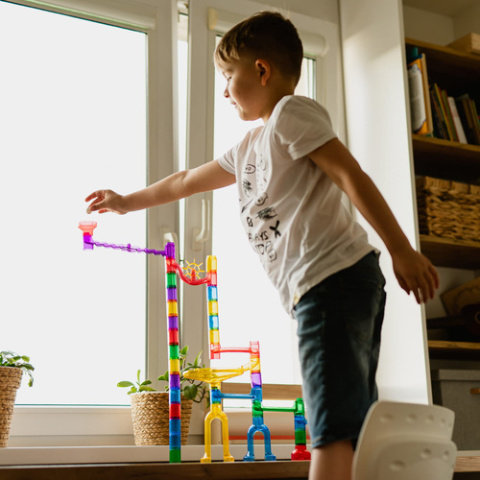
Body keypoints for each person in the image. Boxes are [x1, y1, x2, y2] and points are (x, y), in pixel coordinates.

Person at [85, 11, 439, 480]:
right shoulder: (249, 146)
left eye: (228, 77)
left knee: (330, 426)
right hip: (324, 285)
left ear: (262, 70)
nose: (225, 91)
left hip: (332, 278)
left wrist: (401, 248)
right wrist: (127, 202)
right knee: (346, 419)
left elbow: (349, 174)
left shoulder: (291, 114)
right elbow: (186, 180)